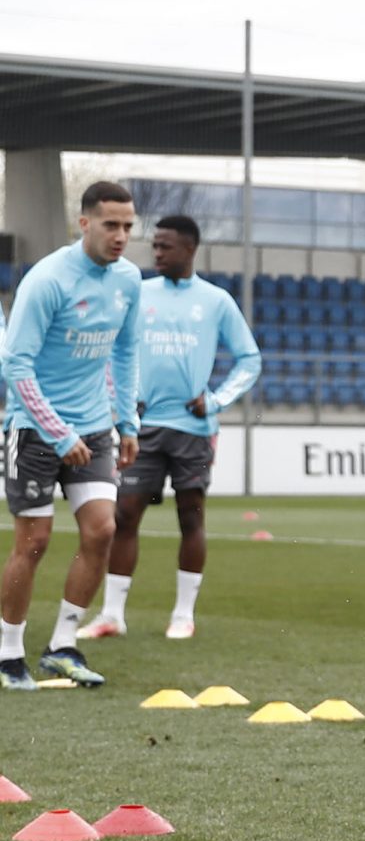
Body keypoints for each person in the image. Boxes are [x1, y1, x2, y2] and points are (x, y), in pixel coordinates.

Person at [77, 215, 260, 642]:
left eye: (166, 246)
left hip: (193, 429)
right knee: (123, 515)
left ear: (190, 249)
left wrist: (214, 400)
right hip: (140, 429)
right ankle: (112, 615)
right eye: (155, 245)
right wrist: (122, 400)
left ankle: (183, 614)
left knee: (190, 517)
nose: (157, 253)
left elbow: (250, 359)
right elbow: (110, 351)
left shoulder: (216, 301)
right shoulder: (138, 294)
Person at [1, 181, 143, 691]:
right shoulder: (49, 280)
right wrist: (58, 434)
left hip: (95, 426)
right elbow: (15, 364)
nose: (122, 235)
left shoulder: (129, 280)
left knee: (102, 530)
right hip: (34, 428)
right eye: (111, 225)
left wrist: (127, 423)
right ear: (84, 224)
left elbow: (126, 355)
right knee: (33, 542)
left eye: (128, 226)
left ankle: (62, 646)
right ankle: (8, 652)